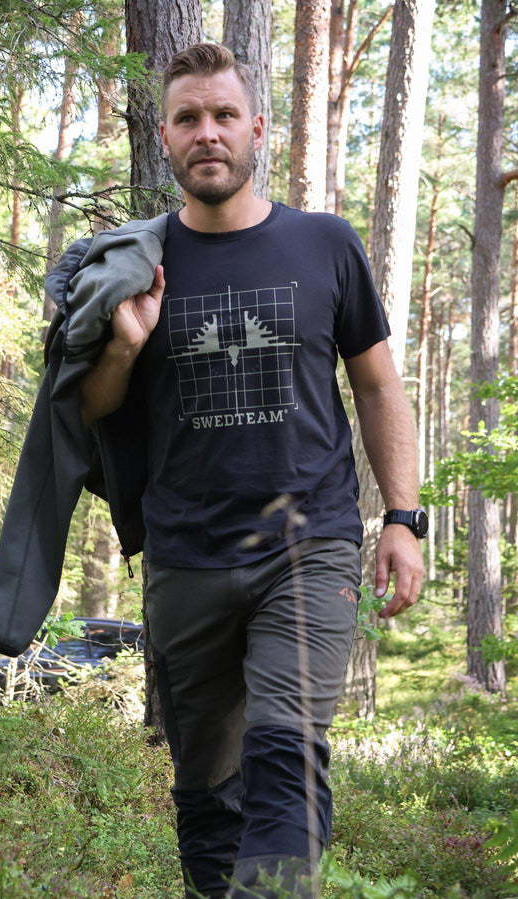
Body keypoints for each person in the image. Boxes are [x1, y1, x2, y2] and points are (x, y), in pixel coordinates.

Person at [80, 42, 425, 899]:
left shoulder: (324, 244)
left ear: (257, 128)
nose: (208, 133)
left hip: (307, 547)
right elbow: (90, 412)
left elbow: (379, 385)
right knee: (205, 790)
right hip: (186, 555)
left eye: (224, 115)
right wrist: (124, 344)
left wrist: (402, 517)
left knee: (285, 755)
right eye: (189, 118)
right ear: (163, 136)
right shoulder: (138, 263)